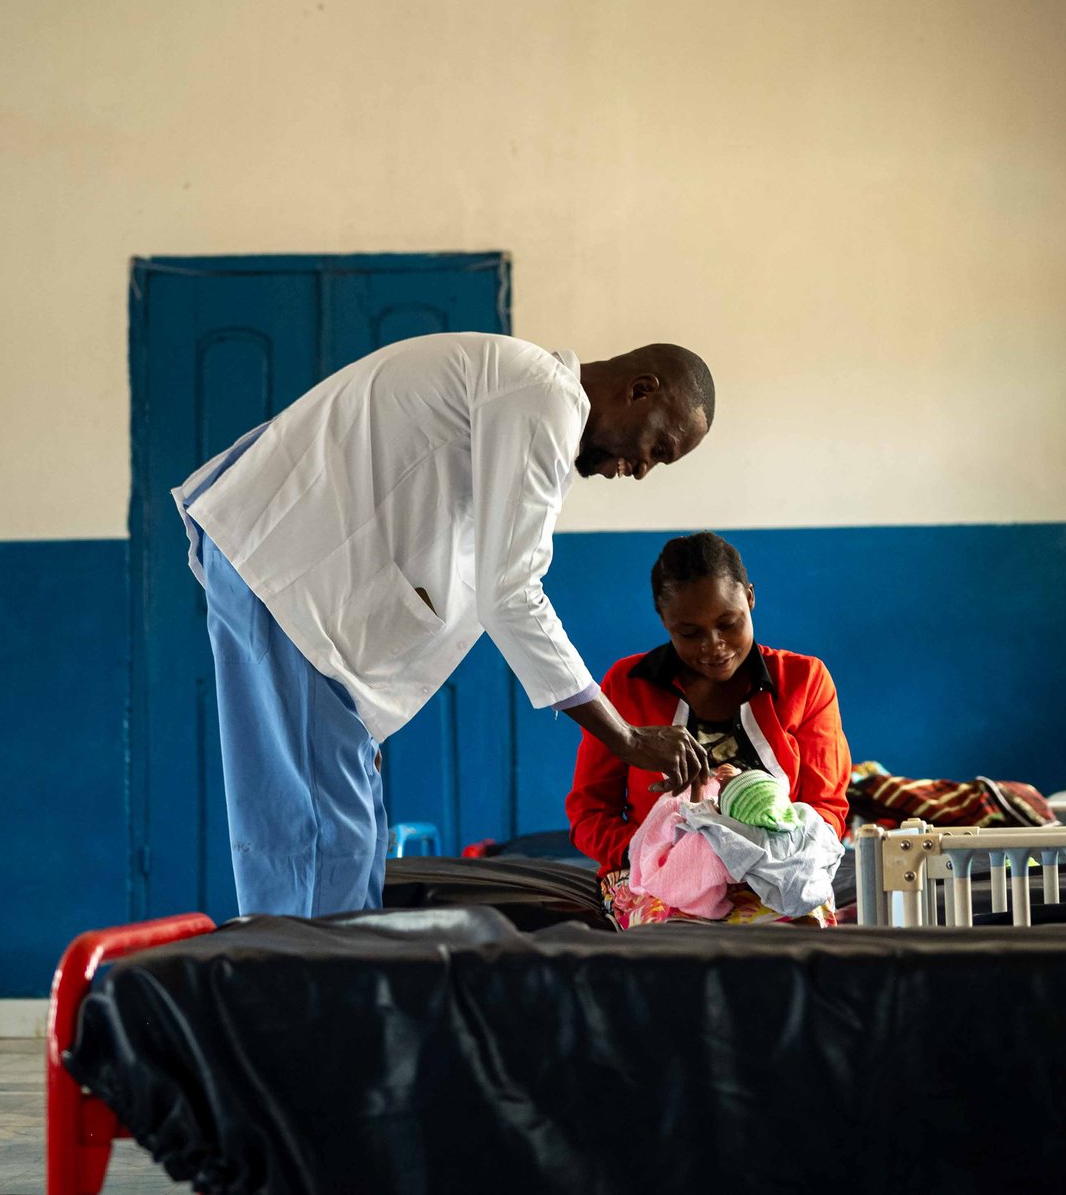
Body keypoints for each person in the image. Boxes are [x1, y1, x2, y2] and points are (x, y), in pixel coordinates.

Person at [176, 332, 718, 918]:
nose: (641, 471)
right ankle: (313, 995)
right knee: (322, 841)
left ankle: (319, 983)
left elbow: (438, 551)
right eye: (658, 448)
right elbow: (509, 593)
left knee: (325, 831)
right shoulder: (542, 396)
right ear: (641, 390)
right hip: (293, 581)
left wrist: (365, 717)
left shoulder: (518, 394)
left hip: (288, 580)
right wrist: (625, 736)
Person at [566, 531, 852, 926]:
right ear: (663, 618)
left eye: (729, 623)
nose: (713, 645)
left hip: (779, 864)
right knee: (671, 944)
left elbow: (827, 808)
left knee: (798, 934)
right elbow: (589, 811)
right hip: (657, 870)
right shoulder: (626, 684)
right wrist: (653, 852)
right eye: (690, 633)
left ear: (750, 597)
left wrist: (765, 854)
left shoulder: (805, 680)